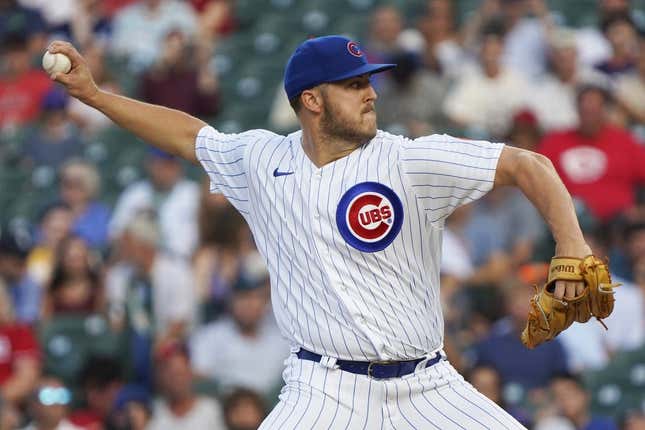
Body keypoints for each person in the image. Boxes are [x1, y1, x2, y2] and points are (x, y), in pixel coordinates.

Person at [51, 34, 598, 429]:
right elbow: (189, 136)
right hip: (325, 388)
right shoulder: (261, 160)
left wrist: (571, 245)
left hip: (429, 384)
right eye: (355, 84)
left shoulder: (408, 161)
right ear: (311, 100)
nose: (372, 94)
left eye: (369, 82)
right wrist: (96, 96)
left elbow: (531, 166)